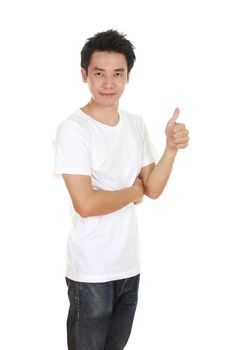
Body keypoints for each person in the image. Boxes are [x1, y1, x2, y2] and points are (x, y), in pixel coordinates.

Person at [53, 29, 189, 350]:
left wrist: (170, 149)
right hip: (91, 272)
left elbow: (152, 189)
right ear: (84, 75)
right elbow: (86, 203)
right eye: (99, 74)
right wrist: (131, 192)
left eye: (118, 74)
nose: (109, 83)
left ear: (128, 77)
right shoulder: (73, 130)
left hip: (128, 268)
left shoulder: (135, 124)